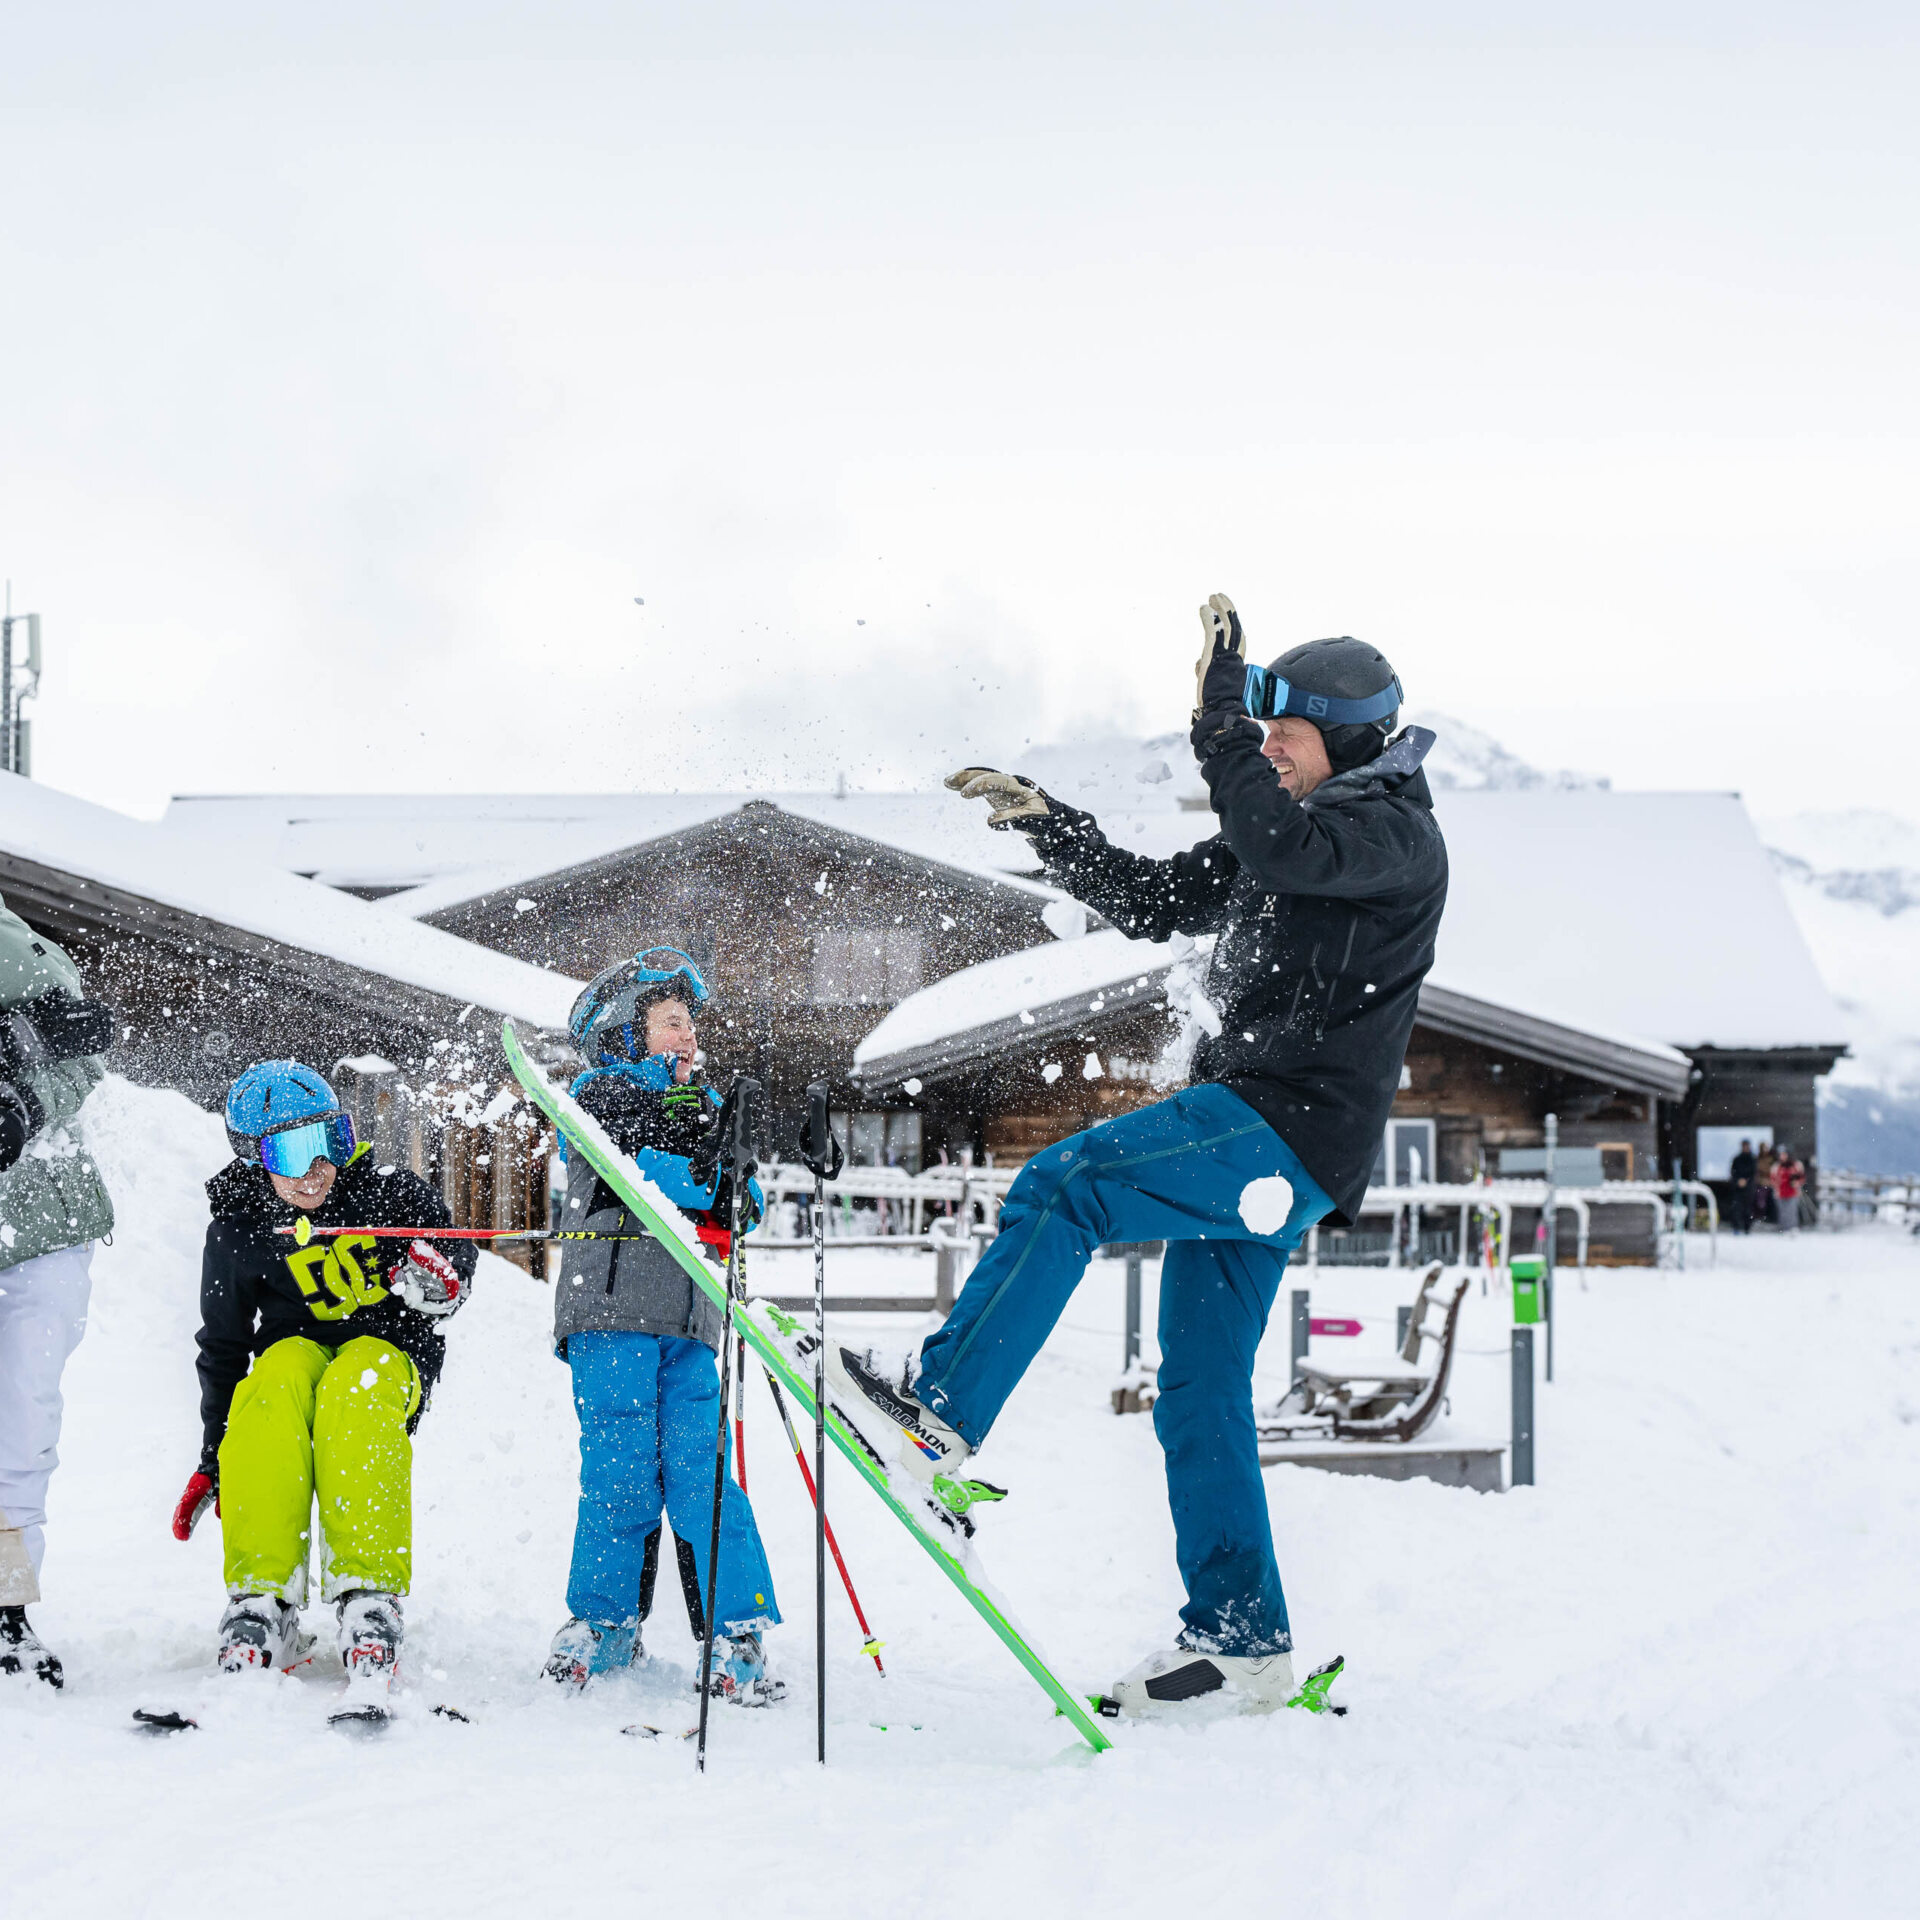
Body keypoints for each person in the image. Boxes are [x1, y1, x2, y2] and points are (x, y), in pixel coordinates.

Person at [828, 596, 1447, 1716]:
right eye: (1260, 739)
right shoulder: (1298, 828)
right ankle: (1242, 1641)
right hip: (1262, 1139)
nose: (1267, 755)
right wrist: (1048, 823)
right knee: (1200, 1393)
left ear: (1348, 743)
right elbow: (1159, 899)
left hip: (1284, 1130)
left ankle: (941, 1419)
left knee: (1065, 1183)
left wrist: (1215, 712)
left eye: (1282, 740)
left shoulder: (1385, 833)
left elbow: (1273, 840)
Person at [173, 1061, 477, 1685]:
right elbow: (225, 1345)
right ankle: (263, 1599)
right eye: (290, 1151)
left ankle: (368, 1597)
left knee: (354, 1387)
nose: (314, 1170)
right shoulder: (238, 1227)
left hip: (388, 1349)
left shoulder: (388, 1191)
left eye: (328, 1143)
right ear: (257, 1158)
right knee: (273, 1381)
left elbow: (454, 1248)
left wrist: (442, 1277)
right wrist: (215, 1457)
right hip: (297, 1354)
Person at [543, 947, 782, 1704]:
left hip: (688, 1322)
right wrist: (701, 1146)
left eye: (690, 1023)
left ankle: (735, 1629)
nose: (688, 1035)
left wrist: (740, 1178)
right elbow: (639, 1161)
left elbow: (742, 1205)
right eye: (671, 1021)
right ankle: (605, 1621)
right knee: (617, 1472)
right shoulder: (595, 1096)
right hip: (609, 1314)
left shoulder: (702, 1106)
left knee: (702, 1472)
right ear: (623, 1034)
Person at [0, 896, 115, 1689]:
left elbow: (87, 1045)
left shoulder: (15, 946)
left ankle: (5, 1607)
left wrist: (23, 1094)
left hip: (38, 1232)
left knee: (20, 1425)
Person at [1728, 1139, 1757, 1234]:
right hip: (1737, 1189)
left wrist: (1746, 1181)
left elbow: (1754, 1173)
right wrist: (1738, 1181)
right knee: (1736, 1208)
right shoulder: (1737, 1159)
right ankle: (1736, 1227)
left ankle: (1747, 1228)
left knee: (1748, 1209)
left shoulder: (1753, 1159)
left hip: (1749, 1189)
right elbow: (1733, 1172)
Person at [1774, 1146, 1804, 1232]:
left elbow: (1801, 1177)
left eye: (1784, 1154)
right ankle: (1783, 1228)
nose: (1782, 1157)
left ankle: (1792, 1228)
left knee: (1792, 1211)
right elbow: (1773, 1179)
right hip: (1781, 1192)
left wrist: (1796, 1183)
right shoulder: (1776, 1166)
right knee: (1782, 1212)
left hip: (1793, 1192)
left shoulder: (1796, 1165)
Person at [1754, 1142, 1779, 1227]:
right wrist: (1762, 1180)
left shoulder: (1773, 1158)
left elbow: (1776, 1171)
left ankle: (1773, 1219)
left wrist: (1771, 1181)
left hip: (1772, 1183)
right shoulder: (1758, 1159)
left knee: (1773, 1202)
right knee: (1761, 1202)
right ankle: (1761, 1217)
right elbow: (1756, 1173)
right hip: (1761, 1184)